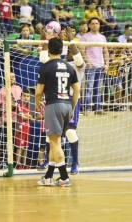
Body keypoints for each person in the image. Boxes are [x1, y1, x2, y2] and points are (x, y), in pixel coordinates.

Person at [35, 37, 80, 186]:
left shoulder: (46, 66)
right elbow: (77, 90)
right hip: (67, 105)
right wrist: (72, 108)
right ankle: (48, 177)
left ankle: (64, 177)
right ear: (62, 50)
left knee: (54, 143)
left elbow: (38, 92)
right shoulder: (69, 67)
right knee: (56, 141)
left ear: (48, 49)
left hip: (53, 105)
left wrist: (36, 105)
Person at [81, 17, 109, 113]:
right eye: (92, 23)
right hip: (90, 66)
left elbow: (105, 51)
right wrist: (88, 62)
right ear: (89, 25)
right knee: (89, 87)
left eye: (96, 23)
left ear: (99, 25)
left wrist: (107, 64)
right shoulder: (85, 37)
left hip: (100, 66)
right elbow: (82, 51)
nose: (95, 25)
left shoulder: (102, 37)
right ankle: (86, 108)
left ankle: (97, 108)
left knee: (98, 88)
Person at [14, 88, 32, 169]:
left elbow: (30, 117)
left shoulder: (27, 107)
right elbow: (23, 117)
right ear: (21, 96)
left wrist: (28, 116)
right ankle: (18, 164)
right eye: (24, 96)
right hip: (20, 129)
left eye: (28, 96)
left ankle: (24, 164)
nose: (26, 98)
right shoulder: (18, 105)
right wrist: (27, 116)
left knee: (25, 147)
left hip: (27, 128)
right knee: (20, 147)